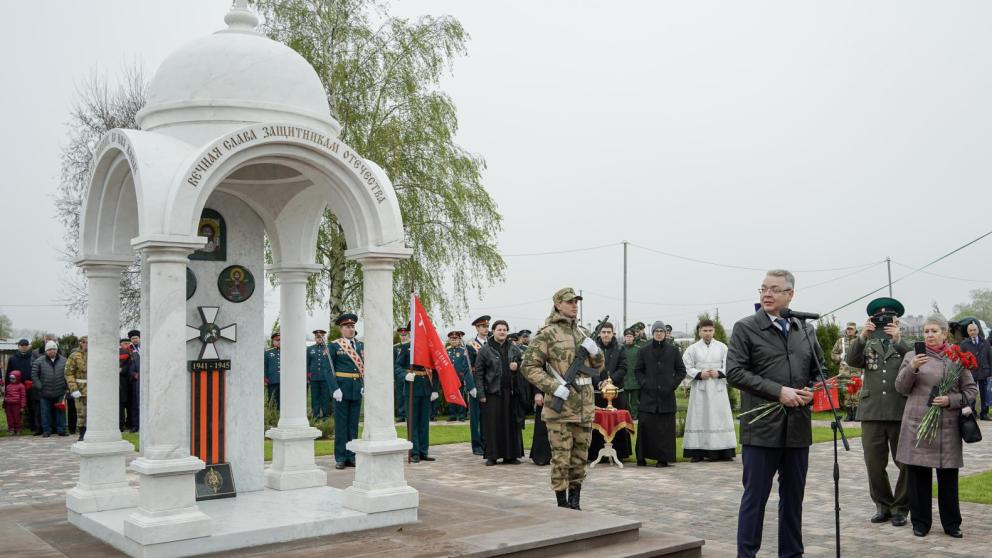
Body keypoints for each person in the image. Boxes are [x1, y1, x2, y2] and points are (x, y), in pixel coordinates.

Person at [726, 269, 820, 558]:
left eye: (774, 289)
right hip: (762, 428)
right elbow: (735, 372)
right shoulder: (745, 328)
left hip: (797, 428)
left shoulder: (804, 329)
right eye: (763, 289)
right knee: (755, 499)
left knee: (793, 499)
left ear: (790, 294)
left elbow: (820, 371)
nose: (767, 294)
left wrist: (812, 391)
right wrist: (778, 391)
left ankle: (791, 554)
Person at [895, 313, 977, 539]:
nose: (929, 335)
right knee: (919, 476)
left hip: (947, 426)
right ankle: (920, 523)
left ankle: (952, 523)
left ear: (944, 333)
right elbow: (901, 388)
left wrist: (951, 400)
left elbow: (971, 391)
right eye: (926, 331)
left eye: (934, 331)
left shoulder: (957, 357)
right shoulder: (913, 355)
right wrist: (911, 367)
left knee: (948, 478)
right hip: (918, 425)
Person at [522, 288, 604, 510]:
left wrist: (596, 352)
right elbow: (528, 366)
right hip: (559, 409)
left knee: (580, 458)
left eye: (576, 302)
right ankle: (561, 505)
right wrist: (554, 387)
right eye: (569, 302)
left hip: (584, 407)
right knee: (561, 458)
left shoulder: (583, 333)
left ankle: (575, 503)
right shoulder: (547, 333)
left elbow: (598, 368)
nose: (574, 305)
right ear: (558, 304)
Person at [846, 297, 910, 527]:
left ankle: (901, 508)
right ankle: (883, 505)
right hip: (872, 411)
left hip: (899, 410)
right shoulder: (867, 343)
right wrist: (862, 336)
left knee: (905, 463)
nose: (884, 323)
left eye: (888, 319)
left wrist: (898, 339)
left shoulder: (905, 344)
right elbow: (852, 360)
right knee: (873, 463)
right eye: (879, 319)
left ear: (896, 320)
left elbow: (915, 360)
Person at [682, 319, 736, 463]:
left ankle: (724, 450)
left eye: (710, 330)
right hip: (701, 388)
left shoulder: (723, 347)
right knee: (699, 418)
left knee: (720, 417)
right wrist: (699, 374)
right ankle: (697, 451)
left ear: (714, 331)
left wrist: (720, 373)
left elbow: (730, 364)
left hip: (717, 387)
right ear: (699, 332)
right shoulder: (692, 349)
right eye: (704, 331)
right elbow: (685, 367)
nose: (707, 333)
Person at [474, 319, 526, 466]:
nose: (502, 332)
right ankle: (492, 456)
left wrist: (518, 366)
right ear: (494, 331)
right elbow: (478, 373)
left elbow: (524, 365)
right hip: (492, 393)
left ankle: (511, 455)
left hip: (511, 392)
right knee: (493, 425)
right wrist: (481, 394)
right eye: (499, 329)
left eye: (504, 329)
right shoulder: (485, 349)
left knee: (511, 424)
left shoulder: (514, 348)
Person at [634, 321, 686, 467]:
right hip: (648, 396)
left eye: (661, 331)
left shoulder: (673, 351)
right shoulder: (643, 351)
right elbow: (638, 370)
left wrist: (672, 385)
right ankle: (641, 456)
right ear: (652, 333)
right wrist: (644, 383)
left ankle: (662, 458)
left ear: (665, 333)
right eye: (656, 331)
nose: (659, 333)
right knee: (645, 426)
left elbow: (681, 371)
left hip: (666, 396)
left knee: (664, 429)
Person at [587, 322, 632, 462]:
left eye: (608, 332)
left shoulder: (620, 348)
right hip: (597, 392)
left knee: (617, 423)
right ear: (600, 333)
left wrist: (610, 380)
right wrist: (599, 382)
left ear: (613, 333)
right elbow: (588, 368)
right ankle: (594, 454)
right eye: (603, 332)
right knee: (596, 423)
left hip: (616, 392)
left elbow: (623, 368)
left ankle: (620, 453)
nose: (606, 334)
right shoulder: (592, 349)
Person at [328, 313, 363, 469]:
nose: (351, 329)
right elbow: (328, 371)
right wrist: (335, 388)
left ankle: (352, 455)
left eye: (352, 326)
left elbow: (365, 367)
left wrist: (364, 385)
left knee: (353, 425)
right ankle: (341, 457)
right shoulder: (334, 346)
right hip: (341, 389)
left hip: (356, 389)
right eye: (348, 327)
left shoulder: (361, 346)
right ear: (341, 329)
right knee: (341, 425)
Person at [32, 341, 69, 437]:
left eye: (54, 349)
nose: (52, 351)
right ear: (46, 351)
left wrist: (66, 386)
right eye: (49, 349)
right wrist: (40, 387)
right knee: (45, 412)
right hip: (45, 392)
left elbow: (68, 374)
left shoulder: (64, 360)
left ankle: (61, 430)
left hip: (60, 391)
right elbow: (34, 375)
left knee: (61, 412)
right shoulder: (38, 361)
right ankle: (46, 430)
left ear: (56, 350)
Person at [958, 320, 991, 420]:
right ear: (968, 332)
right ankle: (972, 412)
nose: (972, 332)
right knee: (970, 393)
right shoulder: (964, 344)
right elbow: (960, 358)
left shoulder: (985, 342)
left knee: (984, 393)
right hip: (970, 372)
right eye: (970, 330)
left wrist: (991, 371)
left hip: (984, 371)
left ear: (978, 330)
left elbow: (990, 357)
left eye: (974, 330)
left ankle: (984, 414)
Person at [832, 322, 863, 421]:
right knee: (847, 393)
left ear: (855, 330)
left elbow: (865, 353)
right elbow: (833, 353)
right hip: (844, 372)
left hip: (857, 371)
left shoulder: (860, 341)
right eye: (848, 329)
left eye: (851, 329)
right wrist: (839, 357)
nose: (849, 330)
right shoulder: (840, 341)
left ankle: (857, 415)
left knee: (857, 393)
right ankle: (849, 414)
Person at [445, 331, 477, 422]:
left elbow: (466, 365)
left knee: (461, 396)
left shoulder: (464, 351)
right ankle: (452, 414)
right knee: (451, 395)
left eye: (456, 339)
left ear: (459, 340)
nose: (454, 341)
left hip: (460, 377)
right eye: (452, 339)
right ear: (449, 340)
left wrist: (465, 377)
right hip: (450, 378)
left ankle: (461, 414)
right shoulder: (447, 351)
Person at [6, 339, 36, 433]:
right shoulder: (13, 358)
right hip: (17, 387)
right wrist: (8, 388)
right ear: (18, 346)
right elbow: (8, 374)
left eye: (26, 345)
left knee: (32, 406)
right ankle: (16, 427)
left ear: (28, 346)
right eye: (22, 345)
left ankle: (33, 426)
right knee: (16, 408)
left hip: (30, 385)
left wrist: (33, 382)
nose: (24, 346)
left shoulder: (32, 357)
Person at [65, 336, 89, 441]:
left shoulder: (97, 355)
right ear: (81, 343)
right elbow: (69, 373)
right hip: (80, 388)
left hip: (95, 389)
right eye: (85, 342)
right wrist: (73, 389)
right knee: (81, 412)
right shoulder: (74, 356)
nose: (87, 345)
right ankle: (82, 433)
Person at [306, 328, 333, 420]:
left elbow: (331, 363)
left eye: (321, 337)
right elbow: (307, 363)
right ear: (315, 338)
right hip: (314, 377)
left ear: (323, 338)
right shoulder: (310, 349)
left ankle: (325, 415)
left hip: (325, 377)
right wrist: (307, 376)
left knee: (325, 397)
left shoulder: (328, 348)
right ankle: (316, 415)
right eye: (317, 337)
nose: (319, 339)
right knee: (315, 397)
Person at [621, 328, 642, 420]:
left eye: (630, 336)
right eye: (627, 336)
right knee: (624, 400)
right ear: (624, 337)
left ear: (634, 338)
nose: (628, 338)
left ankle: (634, 415)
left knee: (634, 400)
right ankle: (626, 415)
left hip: (635, 379)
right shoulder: (620, 349)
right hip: (624, 379)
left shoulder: (638, 350)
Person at [393, 324, 411, 422]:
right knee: (400, 395)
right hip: (399, 375)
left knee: (410, 394)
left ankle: (409, 413)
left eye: (405, 335)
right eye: (401, 335)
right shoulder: (396, 347)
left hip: (410, 374)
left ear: (408, 335)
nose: (403, 337)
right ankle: (401, 414)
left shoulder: (411, 346)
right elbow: (393, 363)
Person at [4, 370, 27, 435]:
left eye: (13, 378)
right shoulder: (8, 386)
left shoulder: (21, 386)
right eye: (10, 378)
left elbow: (23, 396)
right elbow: (6, 394)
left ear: (18, 378)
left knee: (17, 417)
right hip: (8, 404)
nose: (12, 380)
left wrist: (22, 406)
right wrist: (5, 404)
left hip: (17, 404)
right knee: (9, 418)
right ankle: (11, 429)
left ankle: (18, 429)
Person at [127, 330, 141, 433]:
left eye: (136, 338)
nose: (134, 340)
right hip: (136, 380)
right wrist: (134, 374)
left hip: (147, 378)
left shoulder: (145, 348)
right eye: (132, 338)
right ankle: (135, 425)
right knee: (136, 403)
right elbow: (128, 366)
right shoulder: (129, 350)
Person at [118, 338, 133, 431]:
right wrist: (122, 370)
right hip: (122, 382)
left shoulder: (134, 352)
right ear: (121, 345)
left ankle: (130, 423)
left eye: (128, 343)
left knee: (131, 404)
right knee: (121, 404)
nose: (126, 345)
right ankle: (120, 424)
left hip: (132, 382)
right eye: (124, 343)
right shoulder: (120, 353)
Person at [264, 332, 281, 409]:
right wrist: (265, 379)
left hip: (284, 381)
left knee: (282, 401)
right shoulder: (267, 352)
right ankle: (272, 416)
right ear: (273, 341)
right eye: (276, 340)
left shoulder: (286, 352)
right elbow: (265, 366)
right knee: (272, 399)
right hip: (272, 380)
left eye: (280, 340)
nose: (278, 342)